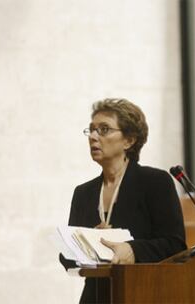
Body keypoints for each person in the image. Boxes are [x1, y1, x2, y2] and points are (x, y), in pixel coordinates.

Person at [60, 98, 187, 304]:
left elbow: (175, 245)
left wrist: (132, 250)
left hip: (143, 294)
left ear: (129, 140)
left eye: (104, 129)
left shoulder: (155, 182)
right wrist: (90, 246)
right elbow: (66, 257)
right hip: (96, 298)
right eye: (91, 130)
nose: (93, 136)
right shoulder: (83, 193)